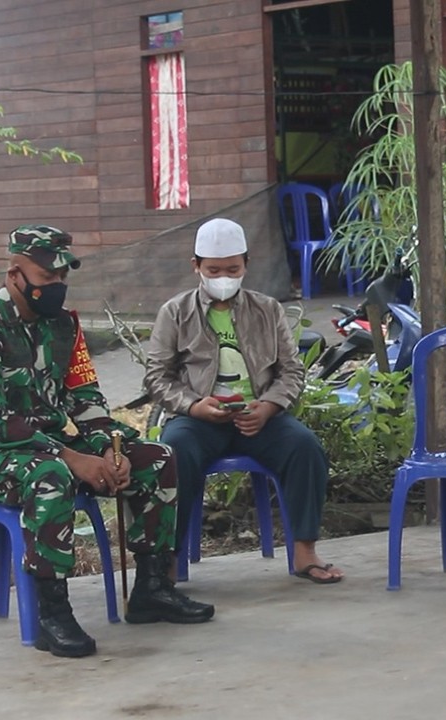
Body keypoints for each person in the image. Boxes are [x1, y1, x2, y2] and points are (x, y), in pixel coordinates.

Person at [0, 225, 214, 659]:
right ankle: (53, 613)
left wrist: (109, 447)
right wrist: (71, 458)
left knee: (157, 457)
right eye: (47, 279)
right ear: (15, 276)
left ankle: (152, 589)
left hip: (51, 446)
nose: (57, 288)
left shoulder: (64, 326)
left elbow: (85, 398)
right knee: (50, 476)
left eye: (62, 278)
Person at [144, 218, 343, 583]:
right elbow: (157, 377)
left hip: (259, 417)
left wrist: (268, 407)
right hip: (199, 418)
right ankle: (167, 561)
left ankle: (305, 552)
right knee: (173, 451)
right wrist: (193, 405)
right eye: (214, 269)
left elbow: (291, 371)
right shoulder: (175, 312)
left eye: (233, 269)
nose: (224, 277)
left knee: (305, 447)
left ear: (246, 265)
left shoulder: (267, 310)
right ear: (196, 267)